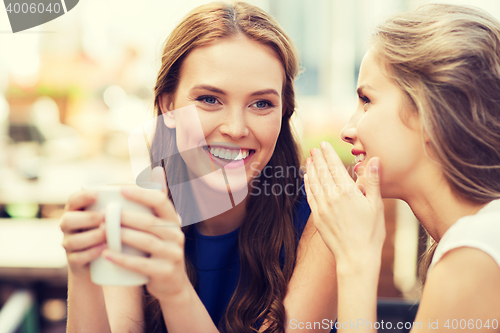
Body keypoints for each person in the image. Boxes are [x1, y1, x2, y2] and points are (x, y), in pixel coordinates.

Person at [60, 2, 337, 333]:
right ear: (168, 105)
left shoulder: (324, 219)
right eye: (209, 99)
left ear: (284, 112)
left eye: (261, 103)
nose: (235, 128)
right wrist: (83, 271)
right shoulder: (133, 218)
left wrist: (175, 290)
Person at [305, 4, 500, 332]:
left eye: (366, 100)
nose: (347, 130)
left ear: (432, 115)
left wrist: (356, 260)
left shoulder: (475, 255)